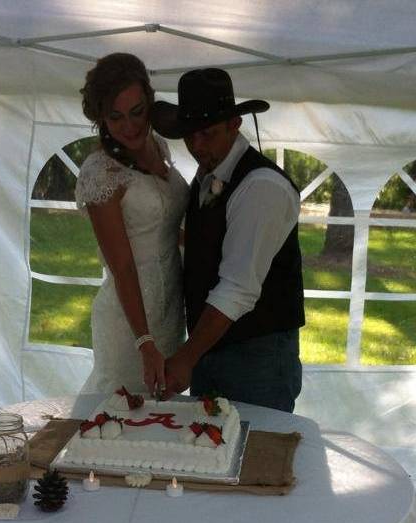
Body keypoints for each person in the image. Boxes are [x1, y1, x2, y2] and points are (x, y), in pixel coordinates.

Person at [152, 68, 305, 412]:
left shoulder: (261, 186)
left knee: (256, 458)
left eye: (207, 134)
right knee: (209, 452)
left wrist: (186, 357)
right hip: (210, 348)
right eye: (190, 136)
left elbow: (237, 288)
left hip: (257, 359)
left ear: (235, 124)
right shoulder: (211, 173)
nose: (196, 146)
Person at [75, 53, 189, 397]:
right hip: (130, 323)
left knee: (163, 421)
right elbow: (122, 266)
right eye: (116, 117)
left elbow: (164, 226)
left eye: (138, 112)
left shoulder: (159, 147)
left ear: (150, 102)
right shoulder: (101, 173)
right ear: (101, 118)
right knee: (122, 415)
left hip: (171, 309)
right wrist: (144, 341)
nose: (131, 126)